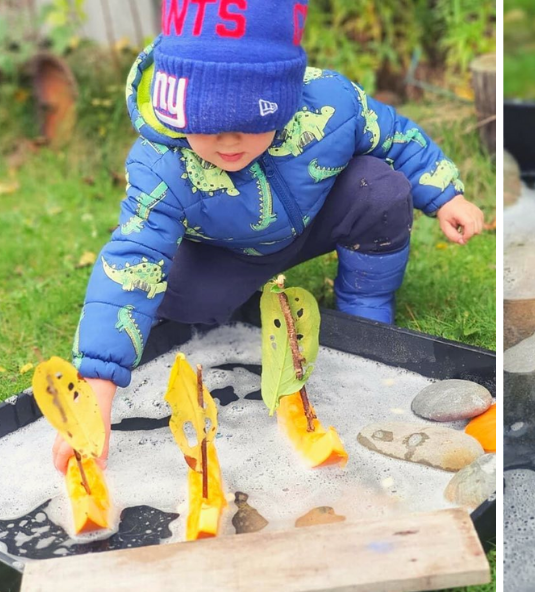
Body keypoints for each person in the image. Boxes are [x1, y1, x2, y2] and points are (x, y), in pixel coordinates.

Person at [52, 0, 484, 472]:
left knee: (378, 188)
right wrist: (96, 386)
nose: (229, 142)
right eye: (208, 125)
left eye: (250, 122)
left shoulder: (331, 103)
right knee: (182, 302)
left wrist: (445, 196)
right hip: (224, 253)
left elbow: (395, 135)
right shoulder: (160, 165)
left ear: (283, 98)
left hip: (314, 220)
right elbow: (132, 260)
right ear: (177, 107)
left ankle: (366, 310)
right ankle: (198, 308)